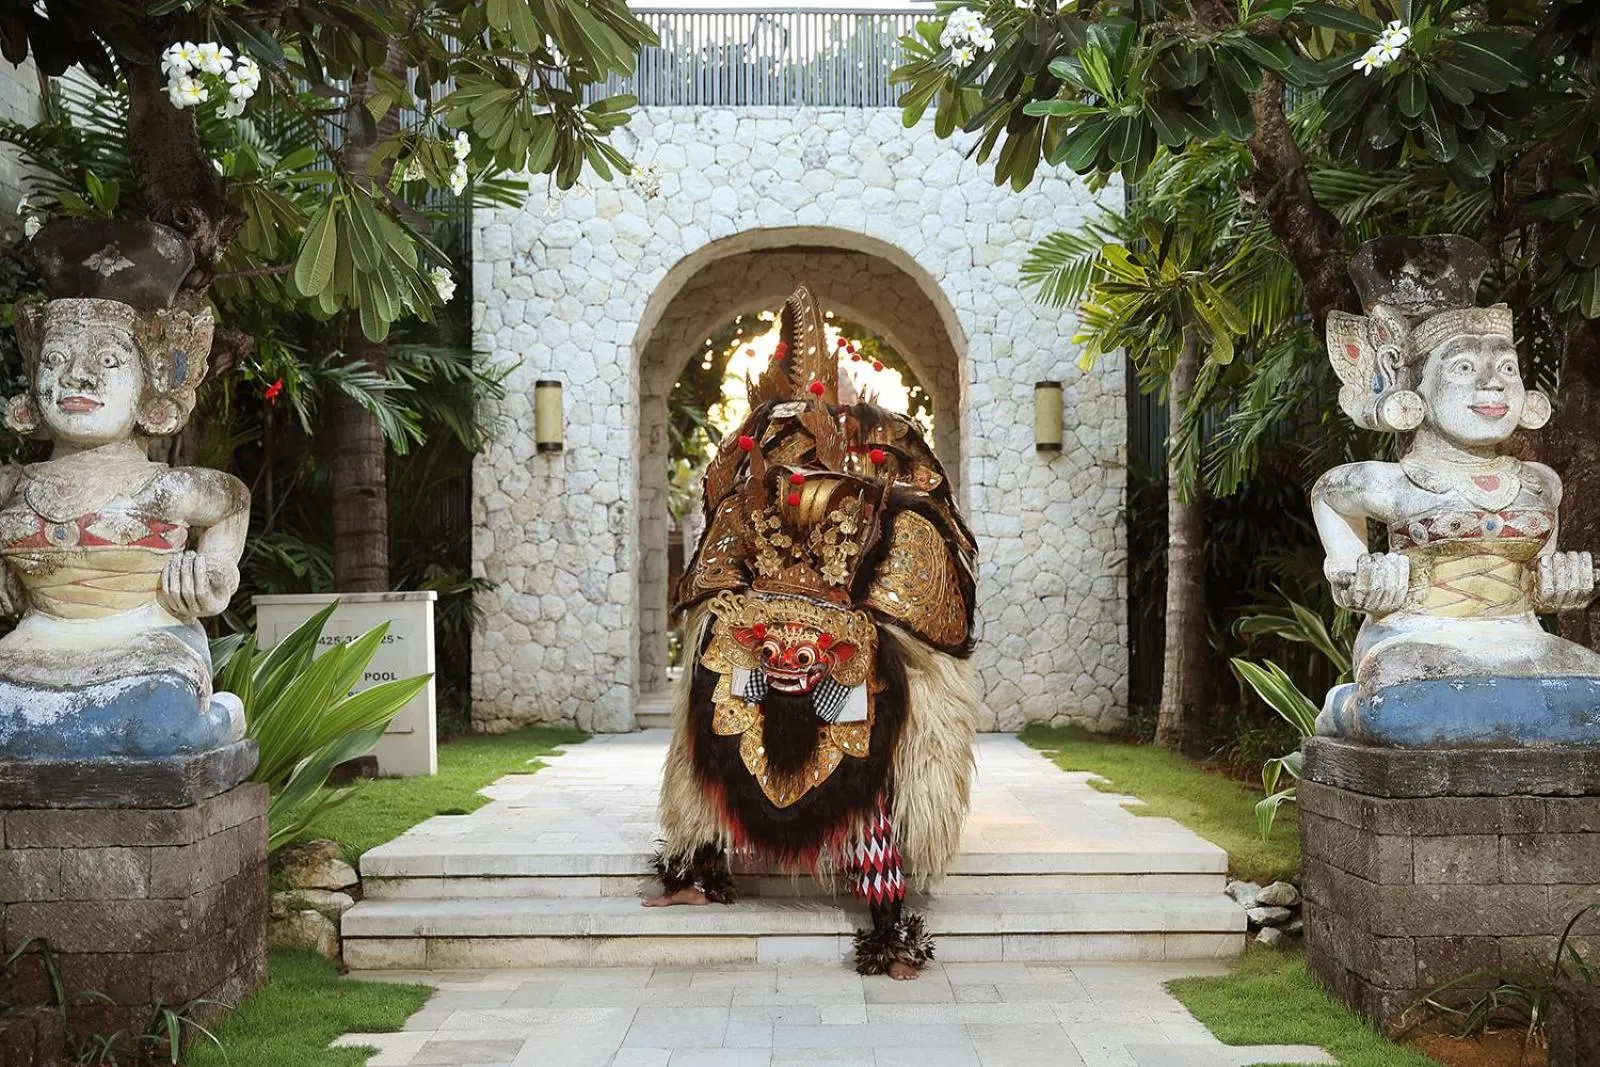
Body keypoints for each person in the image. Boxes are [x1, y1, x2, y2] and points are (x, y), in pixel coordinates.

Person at [646, 284, 978, 979]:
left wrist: (867, 632)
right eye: (783, 434)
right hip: (758, 666)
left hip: (843, 668)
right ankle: (700, 865)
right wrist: (745, 631)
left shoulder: (884, 495)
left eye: (807, 432)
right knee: (707, 729)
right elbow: (715, 579)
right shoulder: (745, 500)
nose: (796, 447)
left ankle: (889, 927)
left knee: (875, 748)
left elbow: (920, 596)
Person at [1312, 235, 1600, 746]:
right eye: (1465, 367)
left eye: (1507, 367)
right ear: (1415, 391)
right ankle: (1347, 707)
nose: (1492, 384)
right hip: (1415, 642)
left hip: (1520, 640)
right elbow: (1327, 495)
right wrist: (1354, 572)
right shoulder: (1391, 484)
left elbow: (1540, 588)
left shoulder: (1540, 486)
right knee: (1398, 711)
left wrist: (1557, 585)